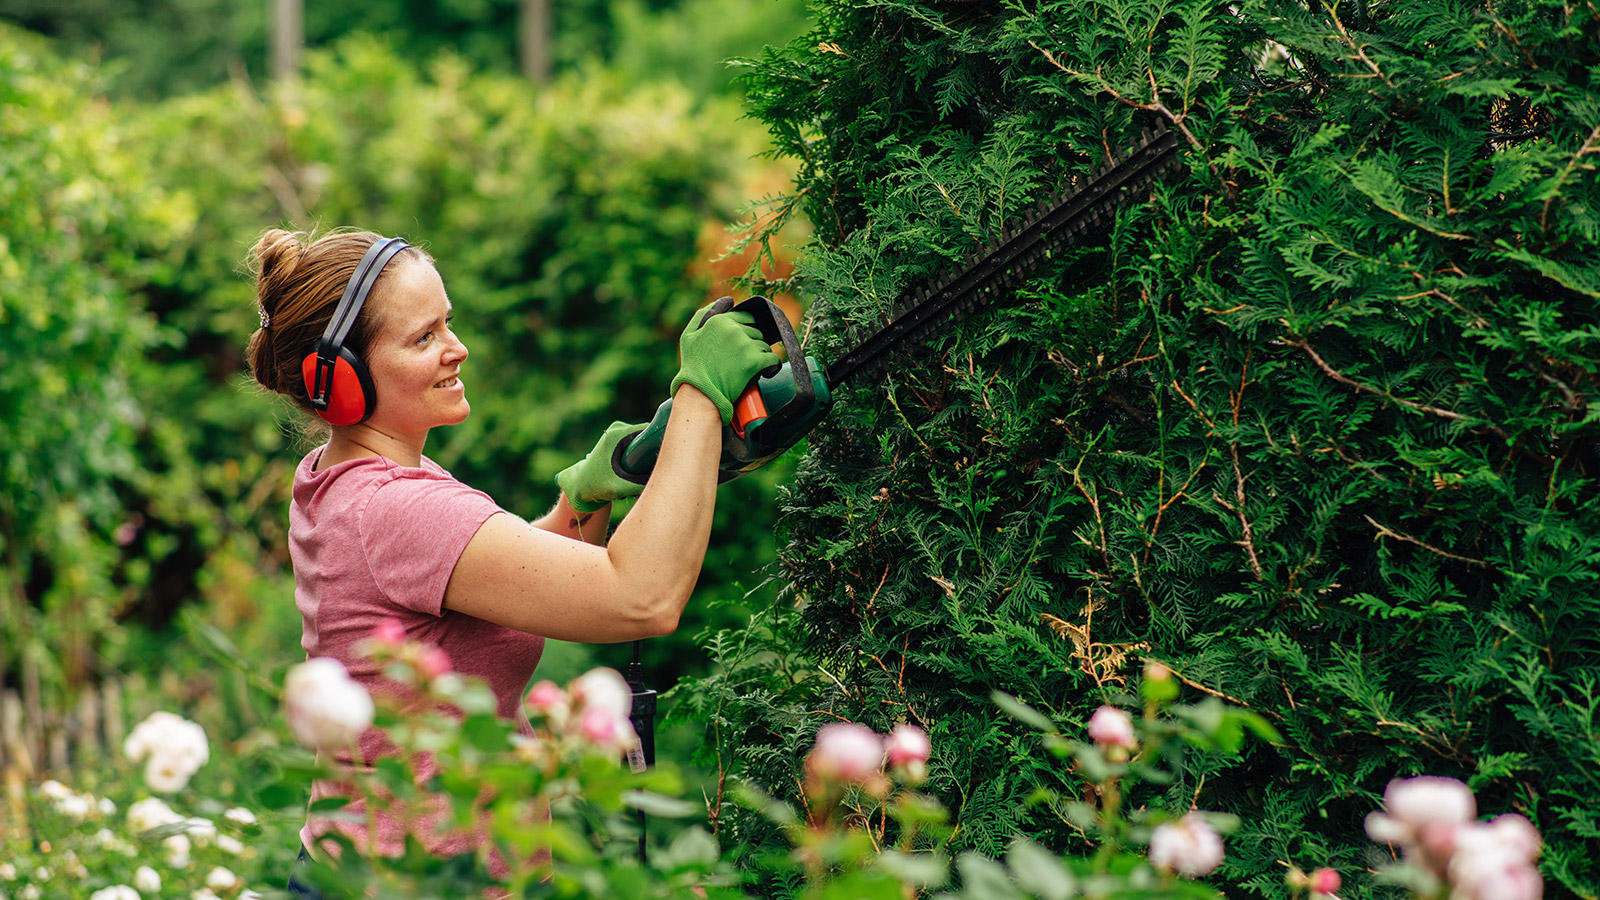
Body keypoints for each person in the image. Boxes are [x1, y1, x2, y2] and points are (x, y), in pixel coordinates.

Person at [244, 228, 778, 896]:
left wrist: (579, 502)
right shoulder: (395, 509)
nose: (456, 348)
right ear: (340, 380)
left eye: (448, 323)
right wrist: (702, 393)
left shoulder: (341, 478)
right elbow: (642, 598)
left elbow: (477, 588)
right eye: (422, 338)